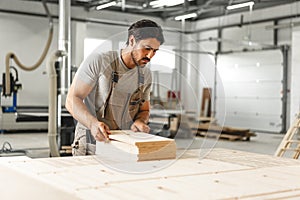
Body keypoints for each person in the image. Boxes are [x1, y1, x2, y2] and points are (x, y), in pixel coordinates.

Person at [65, 19, 165, 156]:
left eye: (155, 51)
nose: (150, 56)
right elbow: (72, 100)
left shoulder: (145, 75)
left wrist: (140, 121)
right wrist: (93, 124)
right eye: (147, 48)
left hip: (123, 143)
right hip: (91, 140)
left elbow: (144, 109)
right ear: (131, 41)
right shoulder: (99, 61)